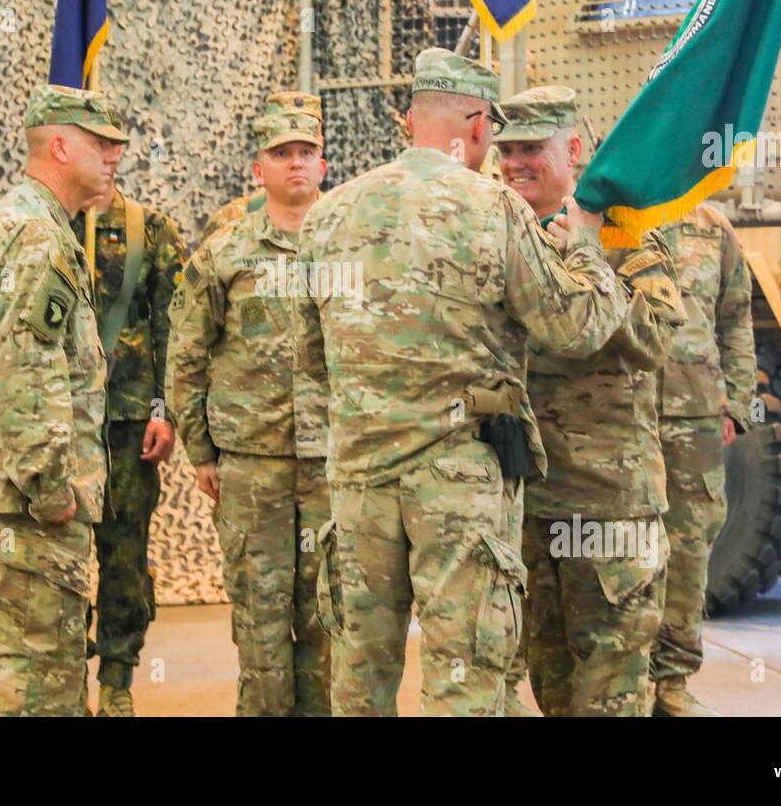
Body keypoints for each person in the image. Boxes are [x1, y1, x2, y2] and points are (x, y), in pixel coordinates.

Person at [297, 49, 629, 716]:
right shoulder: (493, 208)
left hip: (358, 483)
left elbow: (310, 358)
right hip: (460, 487)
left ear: (412, 121)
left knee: (359, 677)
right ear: (477, 127)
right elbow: (576, 327)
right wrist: (588, 246)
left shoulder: (330, 215)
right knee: (465, 679)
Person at [497, 86, 685, 716]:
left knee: (611, 690)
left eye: (533, 150)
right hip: (534, 502)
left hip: (610, 504)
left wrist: (583, 255)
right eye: (508, 150)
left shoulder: (622, 232)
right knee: (552, 689)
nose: (516, 163)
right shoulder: (502, 235)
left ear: (572, 149)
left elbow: (655, 339)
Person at [0, 84, 120, 716]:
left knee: (30, 662)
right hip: (35, 499)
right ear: (58, 145)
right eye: (100, 144)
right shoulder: (37, 237)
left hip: (19, 491)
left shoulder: (28, 223)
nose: (114, 157)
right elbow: (26, 370)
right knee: (38, 677)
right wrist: (51, 486)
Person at [166, 90, 332, 716]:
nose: (295, 163)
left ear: (323, 163)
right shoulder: (225, 253)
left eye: (306, 152)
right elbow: (186, 353)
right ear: (258, 168)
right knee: (260, 628)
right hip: (250, 467)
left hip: (331, 465)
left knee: (327, 621)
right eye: (280, 152)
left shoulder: (350, 246)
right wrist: (201, 450)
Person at [71, 165, 187, 717]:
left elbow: (174, 329)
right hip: (62, 420)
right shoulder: (49, 225)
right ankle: (66, 673)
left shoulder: (152, 231)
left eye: (109, 149)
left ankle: (117, 680)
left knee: (123, 557)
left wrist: (166, 412)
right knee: (60, 554)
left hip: (128, 419)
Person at [651, 203, 756, 716]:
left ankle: (671, 684)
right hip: (621, 414)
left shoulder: (713, 229)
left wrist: (735, 400)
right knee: (615, 551)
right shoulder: (606, 211)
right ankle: (619, 681)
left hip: (695, 418)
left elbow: (735, 318)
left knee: (689, 551)